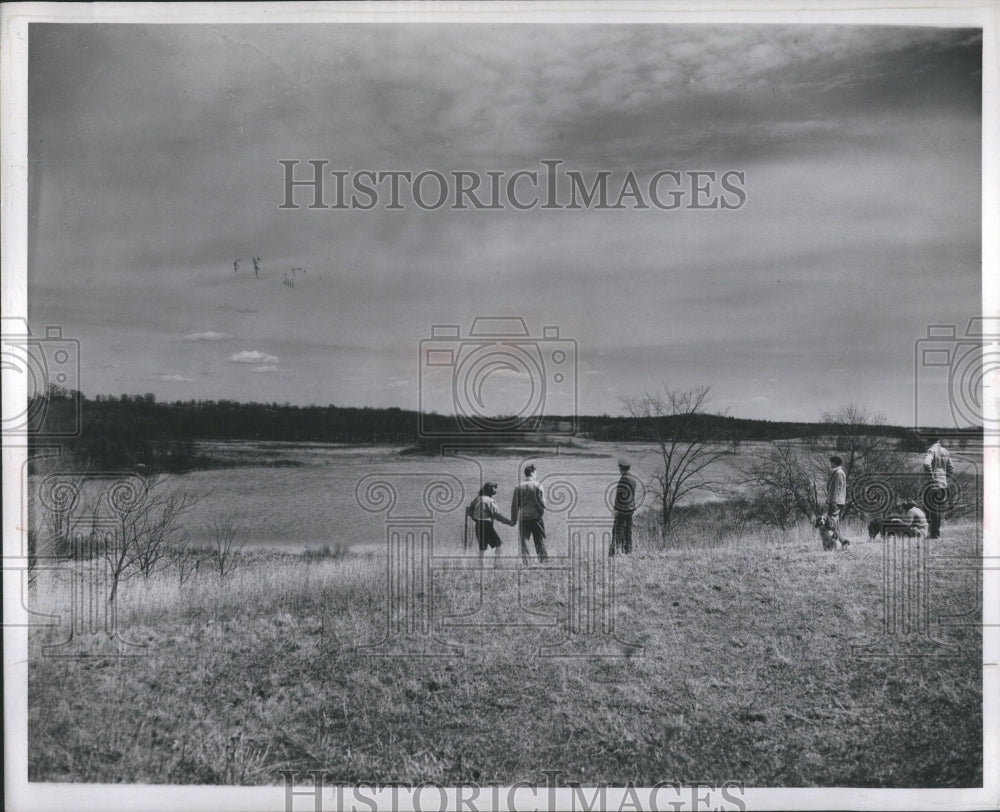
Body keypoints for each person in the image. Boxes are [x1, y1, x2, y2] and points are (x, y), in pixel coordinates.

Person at [466, 481, 513, 566]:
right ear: (490, 491)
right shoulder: (490, 501)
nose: (494, 492)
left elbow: (469, 512)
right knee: (499, 544)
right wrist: (509, 522)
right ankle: (497, 565)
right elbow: (497, 516)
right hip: (487, 525)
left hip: (478, 525)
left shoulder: (477, 499)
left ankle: (481, 566)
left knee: (482, 547)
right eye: (493, 490)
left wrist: (475, 519)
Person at [510, 464, 547, 565]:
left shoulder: (518, 487)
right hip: (536, 517)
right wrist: (543, 506)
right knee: (539, 540)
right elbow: (542, 504)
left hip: (523, 518)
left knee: (524, 541)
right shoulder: (538, 485)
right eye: (536, 473)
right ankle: (543, 561)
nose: (536, 475)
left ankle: (527, 563)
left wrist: (514, 519)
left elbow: (514, 505)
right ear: (532, 473)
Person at [922, 437, 954, 539]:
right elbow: (951, 468)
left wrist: (931, 477)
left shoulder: (931, 450)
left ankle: (934, 534)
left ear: (930, 440)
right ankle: (936, 533)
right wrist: (945, 478)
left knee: (932, 509)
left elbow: (926, 464)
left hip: (933, 484)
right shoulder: (945, 451)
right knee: (938, 509)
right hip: (943, 484)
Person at [609, 458, 638, 556]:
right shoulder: (633, 478)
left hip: (622, 509)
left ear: (621, 468)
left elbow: (619, 496)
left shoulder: (623, 479)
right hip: (630, 509)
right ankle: (628, 552)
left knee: (617, 531)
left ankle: (613, 553)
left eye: (620, 467)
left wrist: (616, 509)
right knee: (628, 531)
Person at [826, 455, 848, 543]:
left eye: (831, 462)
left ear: (834, 463)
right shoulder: (837, 472)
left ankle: (841, 541)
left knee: (832, 522)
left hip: (836, 501)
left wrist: (834, 501)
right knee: (834, 522)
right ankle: (839, 541)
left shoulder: (839, 473)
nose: (830, 464)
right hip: (835, 501)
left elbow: (838, 488)